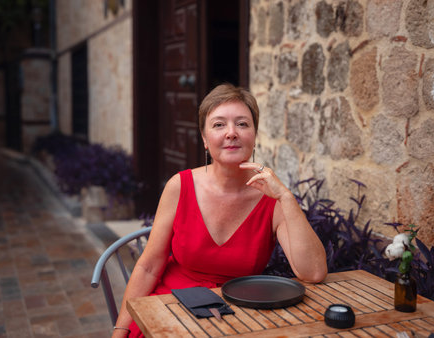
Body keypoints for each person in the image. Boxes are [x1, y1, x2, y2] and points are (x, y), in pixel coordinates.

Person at [112, 84, 327, 337]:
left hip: (240, 317)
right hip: (171, 307)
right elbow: (148, 267)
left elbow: (313, 272)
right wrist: (121, 328)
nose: (231, 133)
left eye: (242, 124)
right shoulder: (179, 186)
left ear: (254, 135)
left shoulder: (272, 199)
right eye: (219, 125)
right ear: (204, 139)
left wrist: (285, 197)